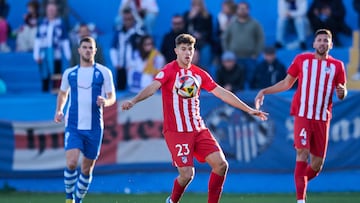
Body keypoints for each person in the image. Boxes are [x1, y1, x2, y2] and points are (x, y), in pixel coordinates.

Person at [121, 33, 268, 203]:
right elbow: (153, 87)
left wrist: (248, 109)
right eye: (183, 49)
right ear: (176, 51)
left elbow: (221, 93)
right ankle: (172, 201)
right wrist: (134, 100)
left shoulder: (199, 74)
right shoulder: (169, 71)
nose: (187, 53)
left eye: (190, 49)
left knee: (221, 165)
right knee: (187, 174)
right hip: (176, 131)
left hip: (198, 129)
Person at [255, 29, 347, 203]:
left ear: (331, 45)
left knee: (316, 165)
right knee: (302, 152)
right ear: (313, 44)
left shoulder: (337, 66)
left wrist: (342, 92)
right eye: (319, 40)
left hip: (322, 118)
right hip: (303, 115)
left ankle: (300, 183)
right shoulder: (302, 60)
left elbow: (341, 92)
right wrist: (264, 91)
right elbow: (286, 83)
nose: (322, 43)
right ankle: (300, 200)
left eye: (326, 40)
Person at [54, 36, 116, 203]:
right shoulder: (70, 73)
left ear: (95, 51)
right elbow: (63, 93)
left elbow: (112, 97)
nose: (88, 50)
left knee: (87, 168)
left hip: (95, 127)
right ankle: (69, 198)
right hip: (73, 124)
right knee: (72, 162)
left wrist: (106, 101)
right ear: (79, 50)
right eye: (85, 47)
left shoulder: (104, 72)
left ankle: (78, 200)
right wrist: (59, 110)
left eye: (91, 48)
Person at [221, 1, 264, 89]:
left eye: (245, 9)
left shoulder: (255, 23)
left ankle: (250, 101)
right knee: (237, 83)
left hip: (250, 58)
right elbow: (225, 38)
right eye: (240, 9)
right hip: (234, 58)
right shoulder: (231, 23)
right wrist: (228, 52)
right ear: (237, 10)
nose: (242, 11)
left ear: (248, 10)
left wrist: (256, 53)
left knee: (250, 80)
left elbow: (260, 38)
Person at [33, 2, 71, 92]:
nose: (51, 12)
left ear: (56, 11)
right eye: (49, 10)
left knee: (57, 74)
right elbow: (38, 40)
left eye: (53, 10)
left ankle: (56, 94)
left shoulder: (60, 24)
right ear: (46, 11)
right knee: (44, 74)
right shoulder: (42, 23)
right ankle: (45, 92)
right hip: (44, 54)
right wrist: (36, 55)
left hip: (56, 54)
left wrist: (69, 56)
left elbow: (65, 41)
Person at [110, 7, 144, 90]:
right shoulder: (118, 32)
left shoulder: (138, 33)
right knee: (120, 87)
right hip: (121, 65)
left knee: (133, 88)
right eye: (125, 19)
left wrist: (135, 63)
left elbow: (141, 50)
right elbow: (113, 48)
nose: (128, 21)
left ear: (134, 19)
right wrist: (116, 63)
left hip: (133, 66)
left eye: (130, 19)